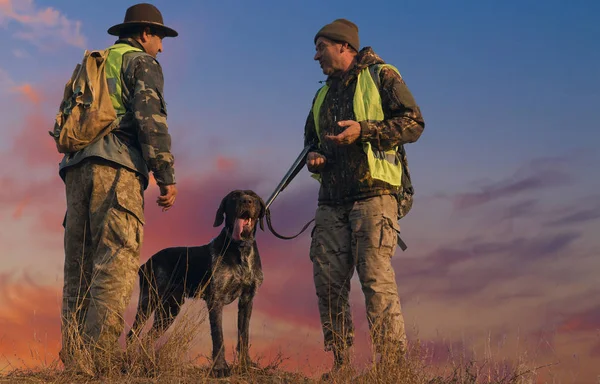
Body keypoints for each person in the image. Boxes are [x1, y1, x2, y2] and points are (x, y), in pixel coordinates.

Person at [58, 3, 179, 372]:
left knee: (78, 266)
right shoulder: (142, 62)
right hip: (118, 167)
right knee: (117, 261)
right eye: (159, 37)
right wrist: (165, 174)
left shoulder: (92, 63)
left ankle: (75, 358)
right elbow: (149, 118)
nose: (161, 45)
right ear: (145, 34)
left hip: (76, 169)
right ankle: (98, 360)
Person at [303, 18, 425, 374]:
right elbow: (310, 140)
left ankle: (391, 369)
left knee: (375, 279)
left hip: (375, 196)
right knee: (327, 282)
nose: (316, 56)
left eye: (321, 47)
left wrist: (365, 131)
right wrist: (315, 157)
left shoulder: (382, 75)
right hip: (331, 201)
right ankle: (341, 365)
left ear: (344, 46)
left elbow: (414, 123)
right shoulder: (322, 94)